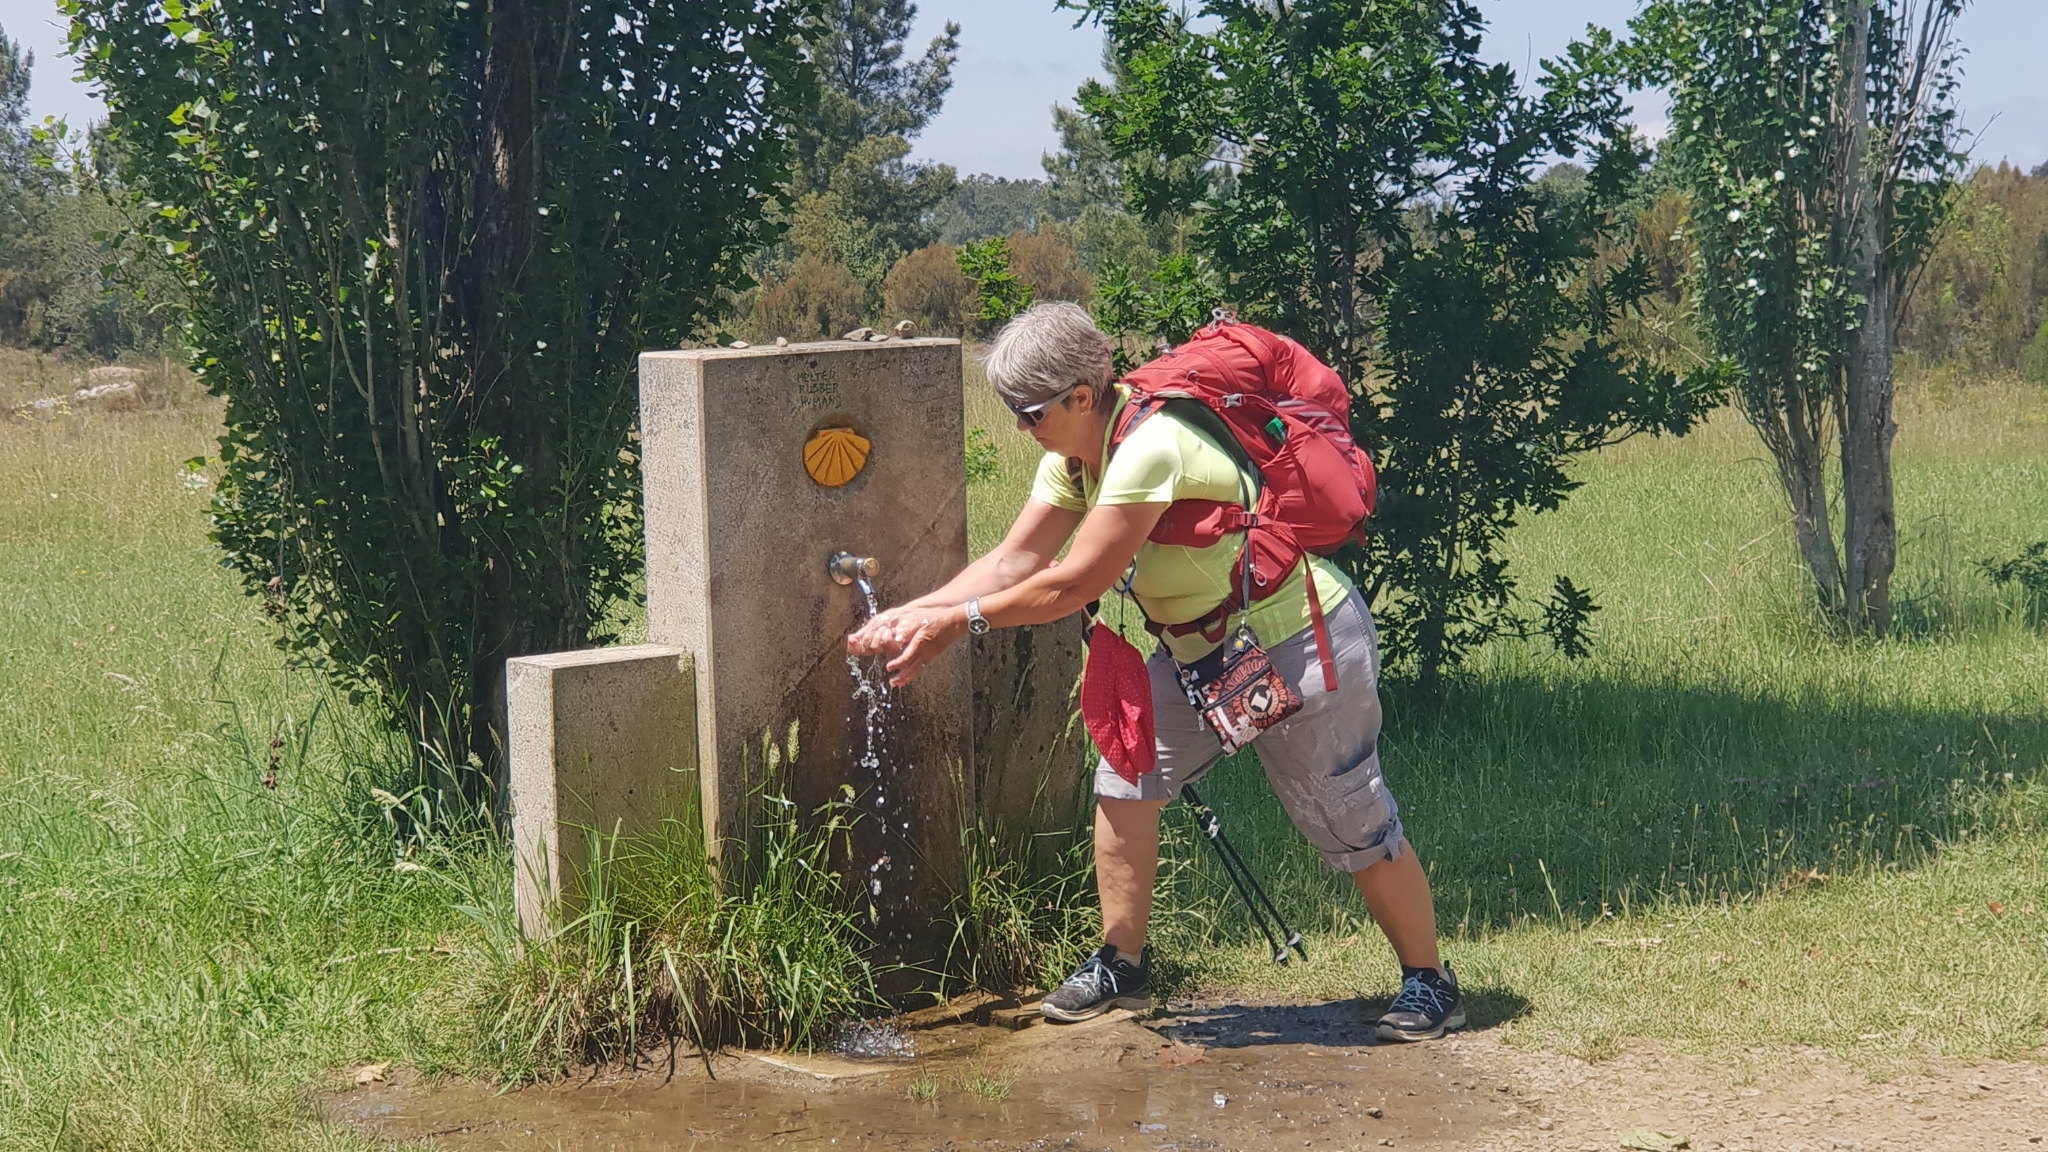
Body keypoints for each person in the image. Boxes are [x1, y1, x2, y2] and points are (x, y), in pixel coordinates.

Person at [846, 301, 1460, 1042]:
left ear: (1081, 396)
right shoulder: (1074, 456)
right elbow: (1015, 560)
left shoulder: (1152, 447)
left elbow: (1075, 581)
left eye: (1030, 414)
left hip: (1299, 639)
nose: (1022, 429)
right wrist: (913, 612)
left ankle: (1430, 981)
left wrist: (958, 623)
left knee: (1350, 815)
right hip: (1204, 656)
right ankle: (1122, 964)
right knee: (1125, 777)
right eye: (1014, 413)